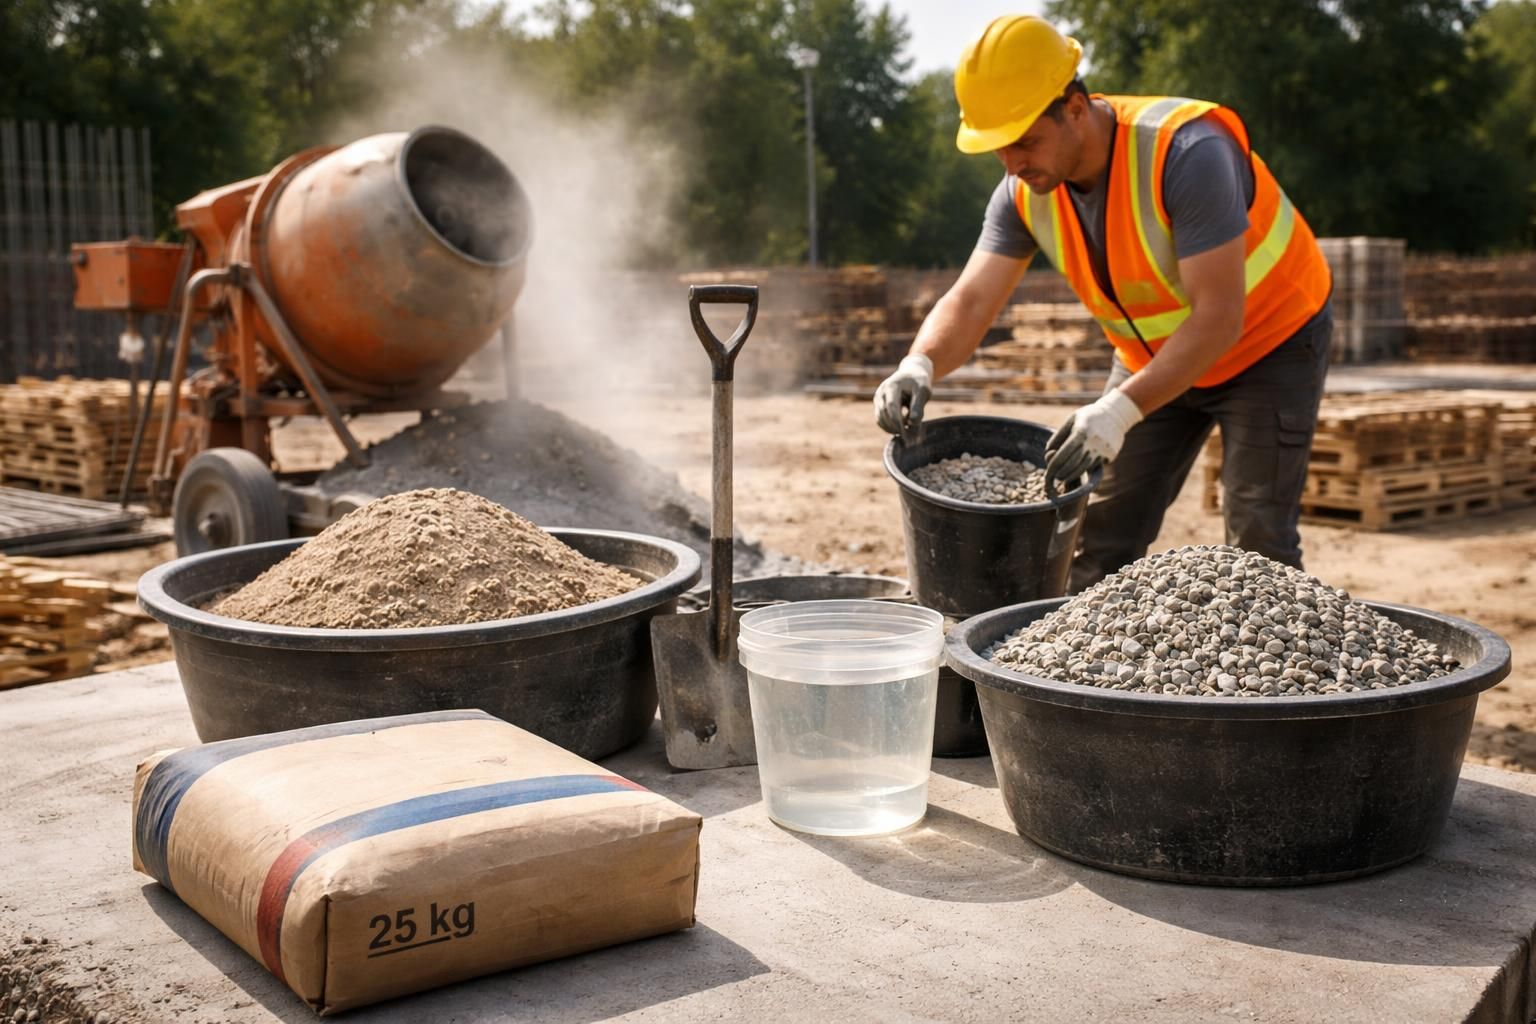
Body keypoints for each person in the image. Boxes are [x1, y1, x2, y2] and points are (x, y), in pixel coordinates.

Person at [874, 14, 1334, 593]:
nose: (1012, 163)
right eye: (999, 149)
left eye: (1024, 140)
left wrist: (1119, 410)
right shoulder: (1025, 191)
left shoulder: (1188, 154)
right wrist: (920, 363)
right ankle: (1077, 682)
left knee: (1258, 535)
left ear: (1073, 108)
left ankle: (1282, 676)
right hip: (1157, 359)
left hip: (1269, 343)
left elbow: (1219, 318)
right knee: (1102, 534)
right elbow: (970, 301)